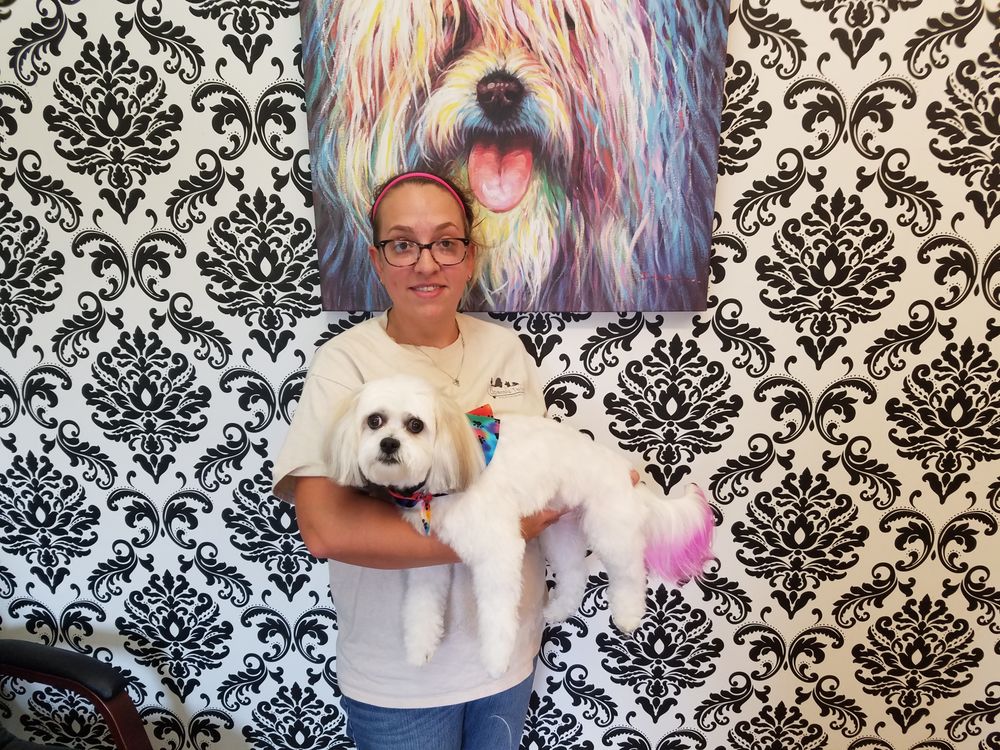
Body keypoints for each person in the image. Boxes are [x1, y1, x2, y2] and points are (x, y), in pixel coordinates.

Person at [271, 170, 561, 750]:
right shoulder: (345, 363)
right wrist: (501, 531)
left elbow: (539, 478)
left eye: (445, 242)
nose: (426, 264)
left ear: (469, 257)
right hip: (401, 679)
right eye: (403, 244)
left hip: (505, 654)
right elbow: (326, 529)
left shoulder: (506, 350)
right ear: (377, 261)